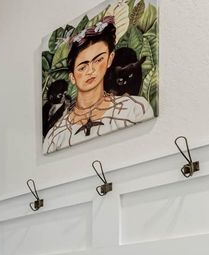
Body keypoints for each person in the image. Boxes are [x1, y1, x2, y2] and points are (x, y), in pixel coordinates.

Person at [43, 16, 154, 154]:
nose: (91, 70)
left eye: (98, 60)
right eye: (82, 67)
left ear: (110, 59)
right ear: (72, 76)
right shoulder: (55, 136)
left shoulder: (135, 109)